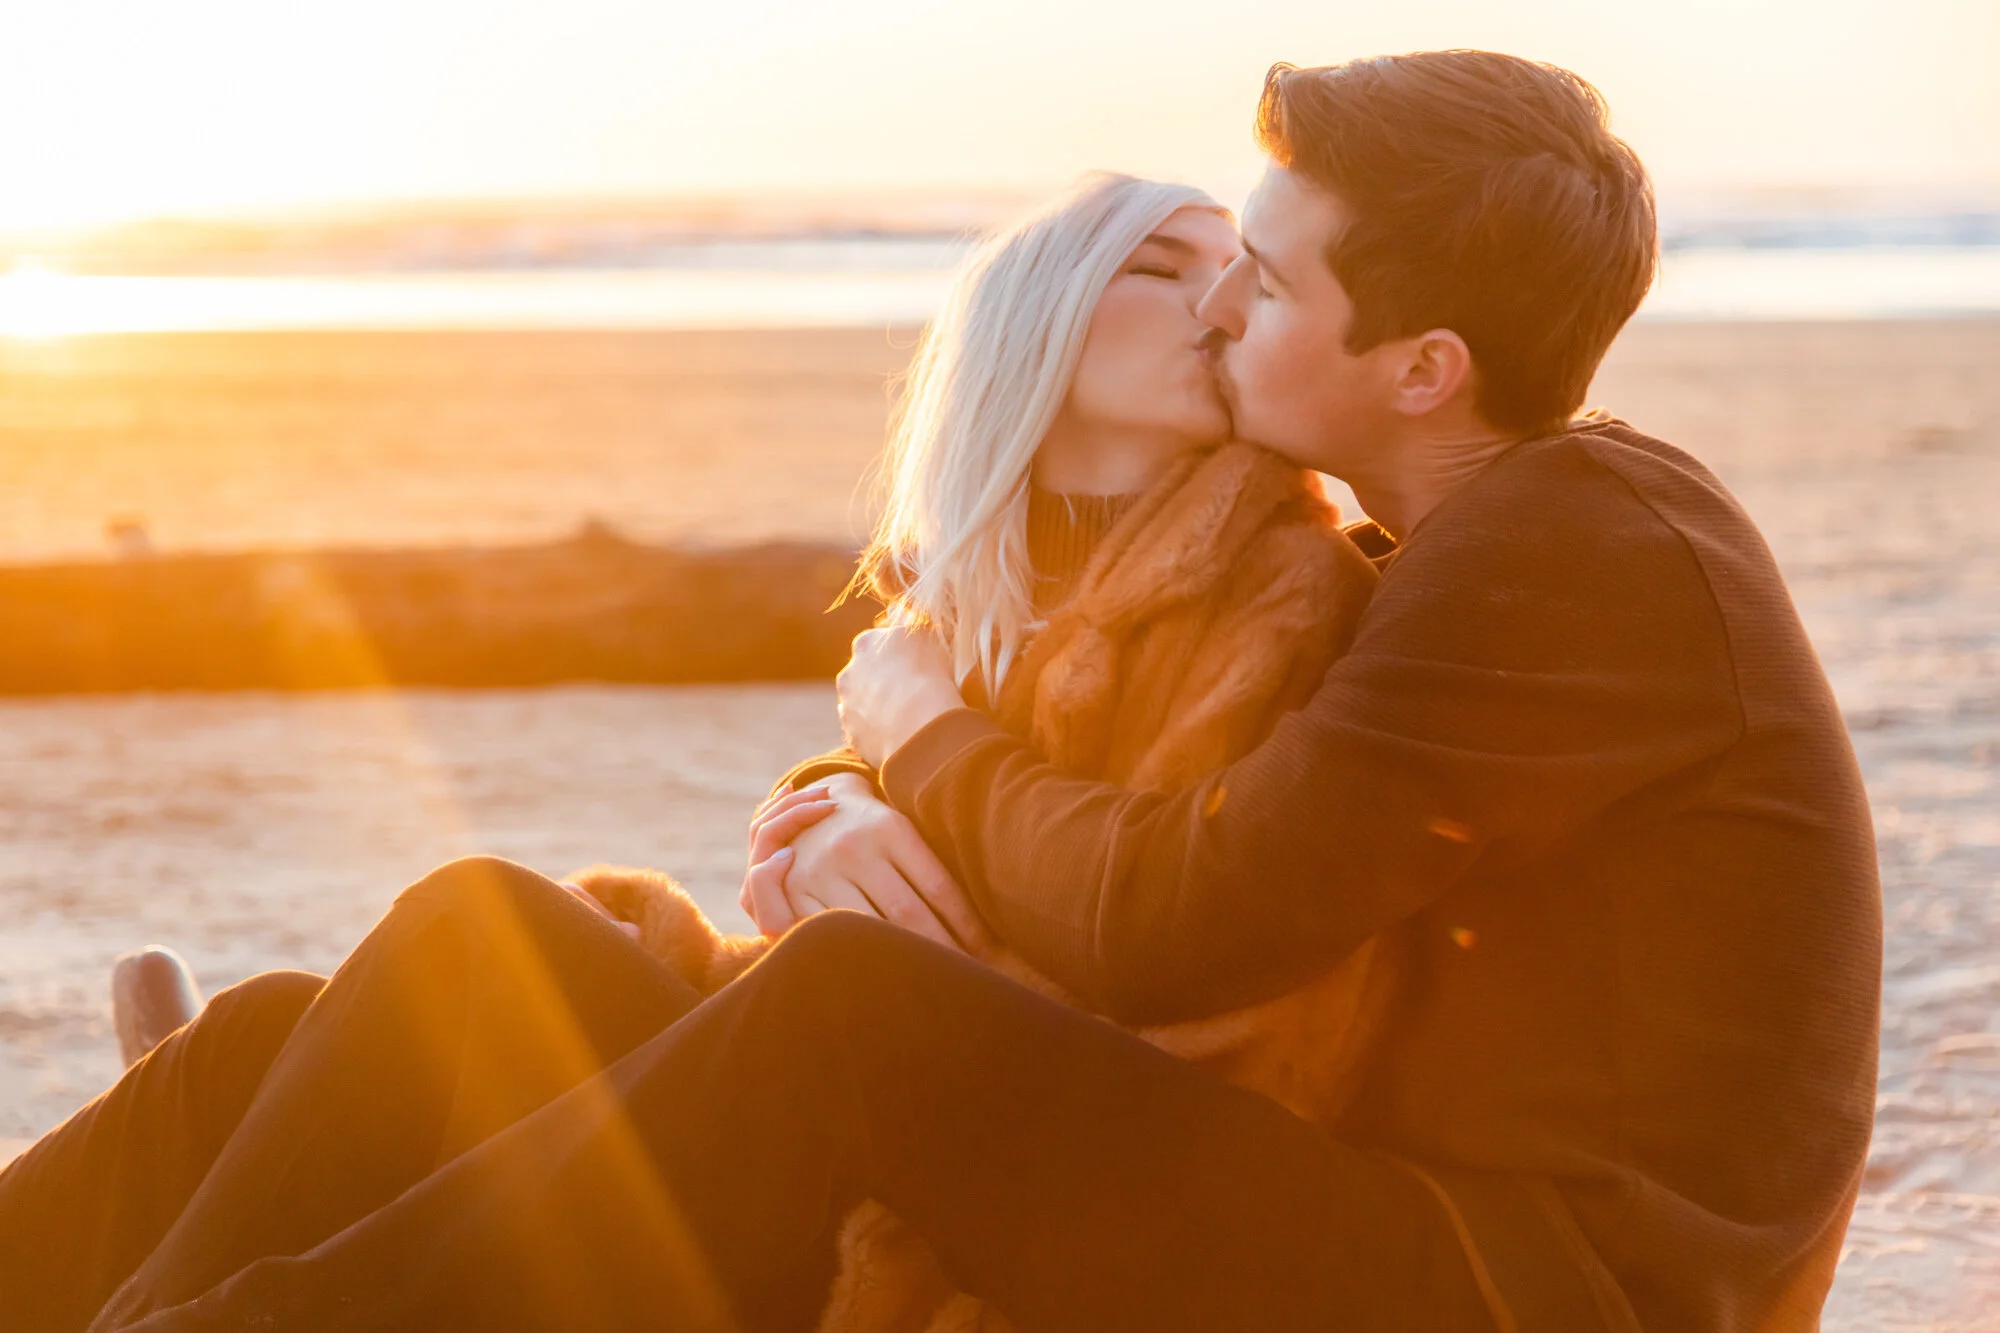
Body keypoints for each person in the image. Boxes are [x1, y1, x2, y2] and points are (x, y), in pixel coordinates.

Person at [0, 50, 1879, 1333]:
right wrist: (837, 791)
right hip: (1378, 1205)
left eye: (1265, 280)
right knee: (466, 955)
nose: (1226, 307)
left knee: (844, 1017)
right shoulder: (1470, 549)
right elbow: (1085, 775)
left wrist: (913, 738)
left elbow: (1182, 914)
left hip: (1535, 1288)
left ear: (1421, 366)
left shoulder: (1563, 549)